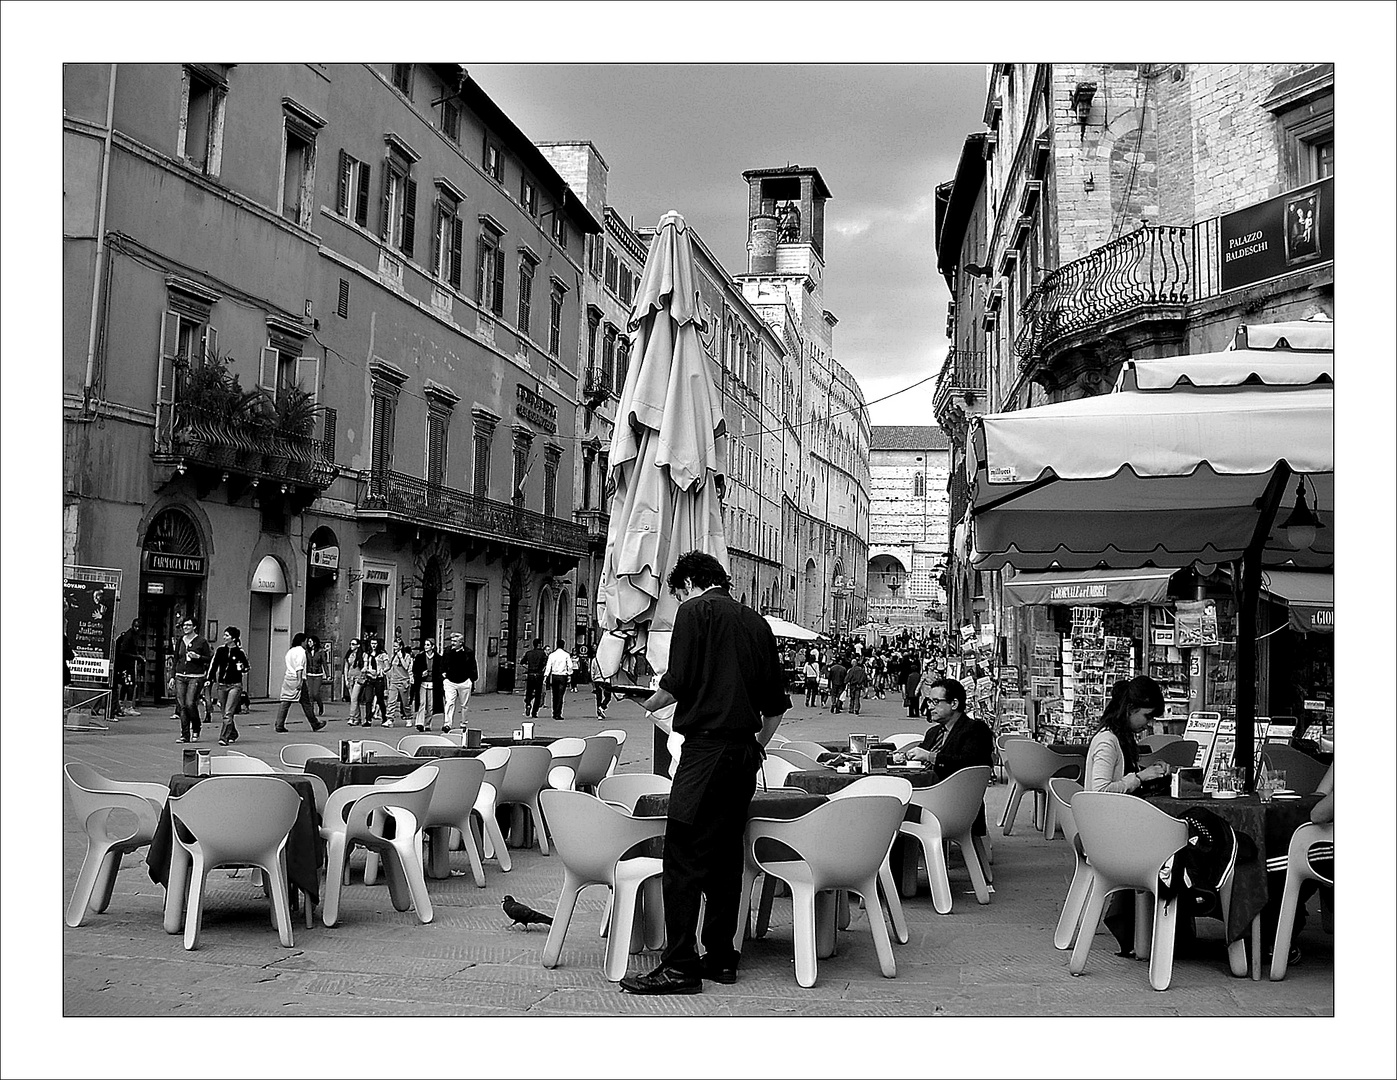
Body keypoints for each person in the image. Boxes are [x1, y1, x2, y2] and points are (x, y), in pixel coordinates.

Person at [619, 551, 790, 996]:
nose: (678, 599)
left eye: (678, 591)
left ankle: (679, 965)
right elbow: (774, 706)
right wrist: (755, 746)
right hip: (742, 754)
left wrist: (644, 701)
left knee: (683, 856)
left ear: (691, 583)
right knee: (726, 857)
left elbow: (679, 680)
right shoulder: (757, 622)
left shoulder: (695, 611)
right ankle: (721, 957)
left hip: (705, 750)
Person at [1085, 675, 1168, 953]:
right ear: (1131, 708)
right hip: (1106, 835)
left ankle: (1149, 929)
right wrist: (1139, 778)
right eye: (1147, 715)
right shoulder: (1108, 742)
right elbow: (1100, 791)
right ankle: (1145, 930)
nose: (1149, 723)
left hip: (1110, 828)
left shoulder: (1119, 738)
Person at [206, 626, 250, 746]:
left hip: (235, 685)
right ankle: (233, 733)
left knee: (228, 712)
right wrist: (209, 679)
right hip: (222, 684)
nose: (224, 638)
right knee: (224, 711)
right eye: (224, 635)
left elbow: (246, 667)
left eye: (227, 635)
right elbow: (214, 665)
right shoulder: (220, 651)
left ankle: (223, 737)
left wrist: (242, 667)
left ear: (233, 638)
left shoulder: (240, 652)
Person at [274, 632, 326, 734]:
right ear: (302, 641)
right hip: (297, 678)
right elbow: (299, 667)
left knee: (285, 701)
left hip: (288, 677)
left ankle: (279, 724)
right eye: (306, 641)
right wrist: (299, 681)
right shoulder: (301, 652)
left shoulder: (290, 651)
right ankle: (315, 723)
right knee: (306, 703)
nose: (306, 643)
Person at [172, 617, 212, 743]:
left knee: (190, 703)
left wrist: (198, 657)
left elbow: (208, 658)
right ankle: (185, 734)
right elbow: (175, 658)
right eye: (184, 625)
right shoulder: (180, 641)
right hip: (180, 675)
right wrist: (172, 676)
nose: (185, 627)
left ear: (194, 627)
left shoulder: (201, 641)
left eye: (188, 625)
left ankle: (196, 727)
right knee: (182, 705)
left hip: (195, 676)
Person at [441, 631, 478, 734]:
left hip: (464, 681)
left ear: (461, 642)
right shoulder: (448, 651)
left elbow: (473, 665)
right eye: (452, 641)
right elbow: (443, 663)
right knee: (449, 702)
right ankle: (447, 724)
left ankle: (463, 723)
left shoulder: (468, 652)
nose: (453, 643)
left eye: (455, 641)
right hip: (450, 681)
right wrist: (443, 674)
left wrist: (472, 679)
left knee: (464, 705)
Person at [412, 637, 445, 732]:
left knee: (430, 706)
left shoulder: (438, 658)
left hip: (433, 684)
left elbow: (440, 670)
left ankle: (427, 724)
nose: (425, 647)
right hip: (422, 683)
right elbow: (415, 670)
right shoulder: (420, 657)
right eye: (425, 645)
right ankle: (419, 723)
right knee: (422, 703)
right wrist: (421, 674)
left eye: (428, 645)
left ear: (432, 646)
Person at [114, 618, 143, 716]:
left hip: (127, 663)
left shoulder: (132, 635)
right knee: (130, 684)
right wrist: (137, 657)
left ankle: (122, 705)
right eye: (135, 626)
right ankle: (128, 706)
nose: (137, 628)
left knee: (126, 684)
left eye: (138, 627)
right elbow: (123, 652)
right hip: (126, 664)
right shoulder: (129, 636)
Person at [386, 638, 415, 729]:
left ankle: (408, 717)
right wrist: (385, 670)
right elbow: (390, 666)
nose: (394, 648)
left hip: (403, 681)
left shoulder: (407, 656)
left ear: (401, 647)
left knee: (405, 703)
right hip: (394, 681)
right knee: (391, 701)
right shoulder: (393, 656)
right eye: (394, 646)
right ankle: (390, 719)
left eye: (396, 646)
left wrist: (401, 657)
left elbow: (406, 667)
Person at [362, 634, 390, 727]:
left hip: (379, 679)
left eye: (375, 643)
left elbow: (387, 666)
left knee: (380, 699)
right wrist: (365, 669)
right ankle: (368, 719)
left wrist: (382, 671)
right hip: (370, 678)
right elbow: (366, 665)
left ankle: (384, 718)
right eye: (372, 643)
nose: (373, 645)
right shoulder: (367, 654)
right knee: (368, 699)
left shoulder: (382, 654)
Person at [544, 639, 573, 721]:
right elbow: (570, 666)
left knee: (554, 695)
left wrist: (545, 676)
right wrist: (569, 673)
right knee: (561, 695)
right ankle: (558, 713)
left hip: (554, 676)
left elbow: (548, 667)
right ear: (563, 645)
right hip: (562, 676)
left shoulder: (552, 655)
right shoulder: (566, 655)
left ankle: (554, 712)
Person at [521, 637, 549, 718]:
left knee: (529, 691)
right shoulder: (542, 654)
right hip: (539, 675)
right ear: (539, 644)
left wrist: (528, 668)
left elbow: (522, 663)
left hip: (530, 674)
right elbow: (546, 664)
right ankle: (534, 712)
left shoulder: (529, 653)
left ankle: (528, 703)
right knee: (538, 694)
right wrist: (542, 670)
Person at [343, 638, 367, 725]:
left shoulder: (363, 655)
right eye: (351, 644)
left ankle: (352, 717)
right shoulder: (349, 654)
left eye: (353, 644)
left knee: (354, 697)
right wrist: (345, 679)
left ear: (358, 645)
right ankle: (358, 718)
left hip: (358, 678)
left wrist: (364, 672)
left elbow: (365, 666)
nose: (351, 646)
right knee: (354, 700)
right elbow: (346, 667)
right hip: (350, 678)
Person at [304, 635, 327, 718]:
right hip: (309, 674)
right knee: (310, 693)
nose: (309, 643)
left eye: (310, 641)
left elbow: (324, 663)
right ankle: (311, 711)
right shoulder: (307, 651)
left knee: (315, 693)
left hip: (318, 674)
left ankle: (320, 705)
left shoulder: (320, 651)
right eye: (308, 642)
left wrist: (327, 674)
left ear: (315, 642)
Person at [590, 652, 612, 721]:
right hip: (606, 680)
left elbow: (592, 670)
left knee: (598, 697)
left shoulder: (594, 660)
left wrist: (593, 679)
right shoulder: (607, 660)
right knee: (608, 696)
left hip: (597, 680)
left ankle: (599, 714)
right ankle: (602, 708)